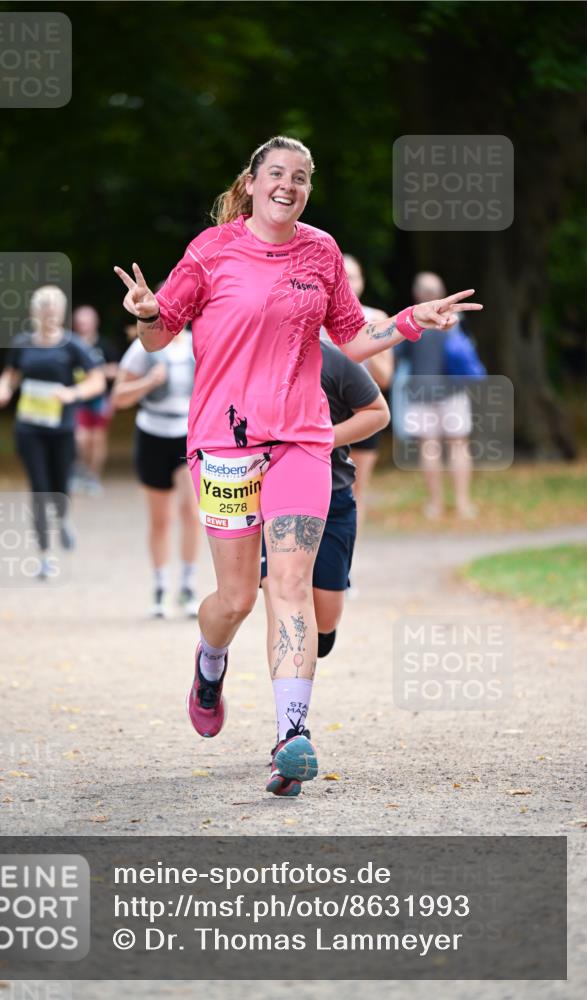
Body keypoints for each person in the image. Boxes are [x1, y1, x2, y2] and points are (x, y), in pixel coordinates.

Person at [114, 135, 481, 797]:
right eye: (277, 173)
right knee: (234, 598)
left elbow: (349, 336)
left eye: (301, 177)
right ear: (251, 182)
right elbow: (162, 329)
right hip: (225, 444)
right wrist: (145, 315)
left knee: (289, 582)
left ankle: (290, 734)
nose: (288, 185)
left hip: (303, 440)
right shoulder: (212, 249)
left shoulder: (321, 250)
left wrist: (405, 321)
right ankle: (210, 659)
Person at [260, 339, 389, 792]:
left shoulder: (329, 358)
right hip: (266, 495)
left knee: (325, 619)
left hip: (331, 495)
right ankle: (289, 733)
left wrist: (319, 437)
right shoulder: (241, 353)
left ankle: (313, 648)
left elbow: (378, 412)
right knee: (282, 594)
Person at [0, 285, 106, 578]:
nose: (49, 314)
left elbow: (97, 381)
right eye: (44, 309)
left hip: (62, 429)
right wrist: (3, 389)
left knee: (59, 486)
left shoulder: (72, 346)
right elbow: (11, 374)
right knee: (39, 490)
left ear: (61, 312)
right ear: (35, 312)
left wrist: (73, 394)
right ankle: (45, 557)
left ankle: (64, 517)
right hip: (29, 428)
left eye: (54, 309)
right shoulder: (22, 343)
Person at [112, 323, 201, 618]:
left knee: (191, 510)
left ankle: (188, 585)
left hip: (187, 435)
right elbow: (119, 397)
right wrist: (148, 382)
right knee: (161, 519)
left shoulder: (197, 343)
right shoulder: (142, 347)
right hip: (152, 434)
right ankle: (160, 587)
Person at [398, 271, 477, 520]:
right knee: (458, 445)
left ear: (417, 293)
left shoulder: (411, 321)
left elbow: (400, 355)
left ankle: (435, 505)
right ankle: (463, 504)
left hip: (421, 392)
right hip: (453, 391)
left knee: (429, 448)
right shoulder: (457, 319)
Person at [341, 254, 394, 522]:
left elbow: (385, 378)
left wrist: (363, 337)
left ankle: (349, 561)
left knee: (355, 492)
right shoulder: (317, 318)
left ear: (362, 282)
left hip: (364, 412)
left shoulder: (378, 319)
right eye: (343, 276)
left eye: (353, 277)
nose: (348, 283)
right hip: (328, 414)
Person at [71, 305, 120, 496]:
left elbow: (116, 370)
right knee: (80, 438)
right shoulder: (71, 344)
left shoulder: (104, 345)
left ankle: (93, 476)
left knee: (97, 439)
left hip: (100, 398)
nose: (84, 324)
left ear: (95, 322)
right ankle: (79, 469)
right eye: (81, 321)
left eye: (87, 320)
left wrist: (97, 373)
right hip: (78, 397)